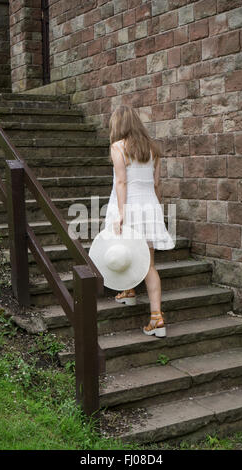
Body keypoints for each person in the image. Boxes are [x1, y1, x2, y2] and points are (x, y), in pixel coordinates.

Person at [104, 105, 175, 337]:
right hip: (149, 206)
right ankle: (156, 317)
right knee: (149, 264)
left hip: (127, 204)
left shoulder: (118, 147)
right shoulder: (153, 148)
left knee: (123, 250)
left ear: (119, 125)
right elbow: (156, 184)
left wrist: (122, 212)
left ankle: (128, 290)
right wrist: (156, 209)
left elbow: (121, 182)